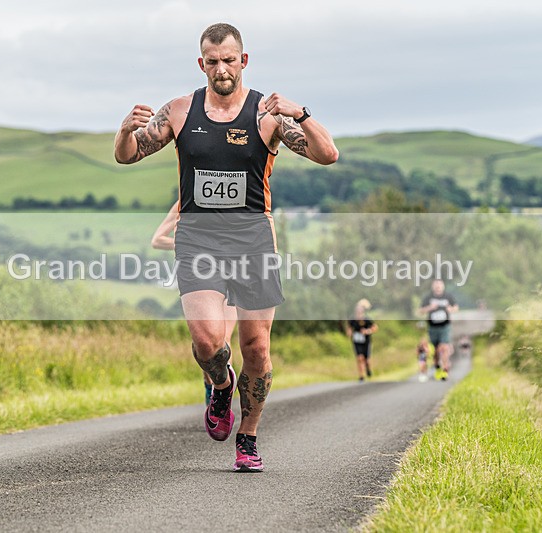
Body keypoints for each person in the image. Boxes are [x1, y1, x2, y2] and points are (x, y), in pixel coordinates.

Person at [115, 23, 339, 472]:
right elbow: (128, 154)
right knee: (206, 341)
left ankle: (249, 436)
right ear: (202, 64)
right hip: (198, 239)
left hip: (253, 241)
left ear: (244, 61)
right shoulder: (179, 110)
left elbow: (327, 154)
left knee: (256, 348)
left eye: (229, 60)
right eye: (213, 61)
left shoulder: (267, 114)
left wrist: (303, 113)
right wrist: (124, 131)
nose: (222, 69)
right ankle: (220, 386)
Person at [151, 200, 237, 405]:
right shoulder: (184, 202)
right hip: (198, 275)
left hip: (231, 272)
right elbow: (157, 240)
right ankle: (211, 386)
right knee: (206, 341)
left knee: (224, 337)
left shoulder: (232, 196)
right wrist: (189, 245)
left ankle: (223, 398)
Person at [418, 279, 458, 381]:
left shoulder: (448, 296)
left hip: (445, 326)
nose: (438, 287)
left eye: (439, 285)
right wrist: (430, 308)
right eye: (436, 285)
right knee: (435, 351)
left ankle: (445, 371)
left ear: (443, 286)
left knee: (443, 348)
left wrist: (451, 309)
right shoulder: (428, 297)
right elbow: (421, 310)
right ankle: (437, 367)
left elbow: (456, 307)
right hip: (432, 327)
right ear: (433, 287)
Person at [346, 299, 378, 381]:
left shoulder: (367, 320)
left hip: (366, 341)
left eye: (360, 311)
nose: (358, 312)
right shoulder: (352, 320)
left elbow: (375, 327)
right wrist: (349, 333)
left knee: (366, 359)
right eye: (357, 311)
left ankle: (368, 369)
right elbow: (349, 328)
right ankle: (361, 375)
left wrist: (367, 331)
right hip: (357, 341)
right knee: (360, 358)